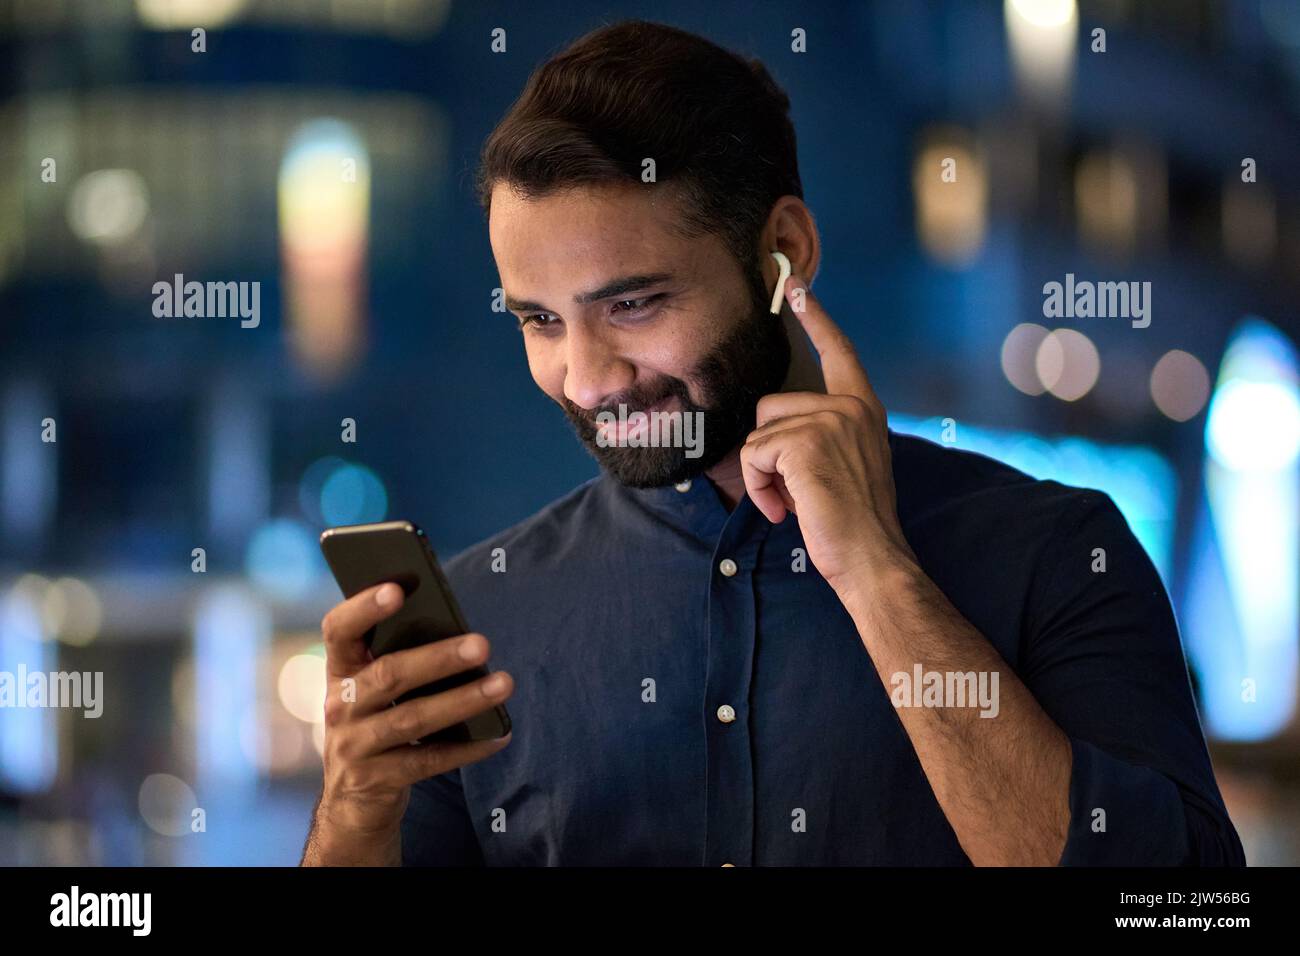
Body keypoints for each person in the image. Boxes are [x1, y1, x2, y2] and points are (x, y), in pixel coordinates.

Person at [302, 19, 1244, 867]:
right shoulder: (482, 621)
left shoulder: (1055, 553)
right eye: (541, 321)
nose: (585, 380)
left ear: (782, 249)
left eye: (632, 305)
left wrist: (879, 575)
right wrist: (353, 816)